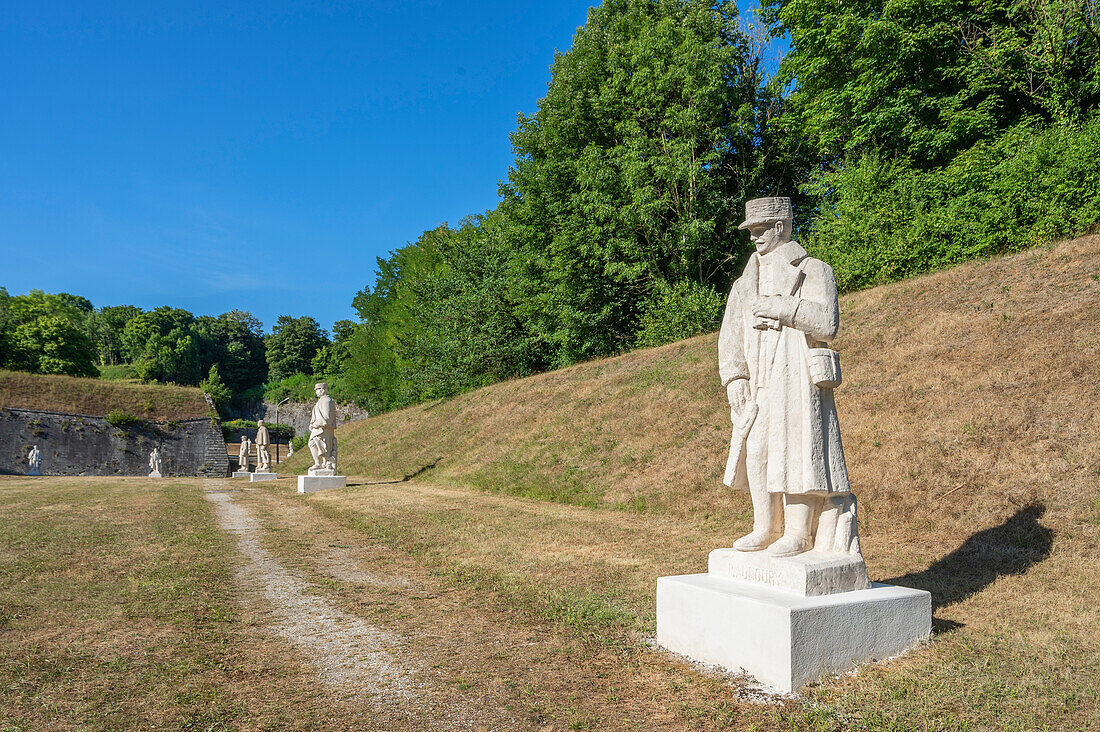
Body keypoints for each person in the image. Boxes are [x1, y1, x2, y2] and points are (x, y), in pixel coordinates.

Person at [718, 196, 858, 558]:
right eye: (750, 231)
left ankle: (798, 533)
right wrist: (735, 377)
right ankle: (765, 527)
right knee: (759, 447)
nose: (753, 237)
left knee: (799, 447)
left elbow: (828, 324)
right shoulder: (745, 281)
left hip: (795, 371)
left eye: (759, 230)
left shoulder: (814, 269)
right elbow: (730, 334)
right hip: (759, 374)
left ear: (780, 227)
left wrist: (782, 308)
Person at [308, 382, 337, 474]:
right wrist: (313, 423)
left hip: (323, 428)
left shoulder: (327, 401)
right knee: (312, 444)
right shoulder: (321, 400)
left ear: (323, 390)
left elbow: (328, 417)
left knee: (324, 446)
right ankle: (318, 463)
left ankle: (327, 464)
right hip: (318, 427)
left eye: (317, 390)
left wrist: (318, 423)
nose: (316, 392)